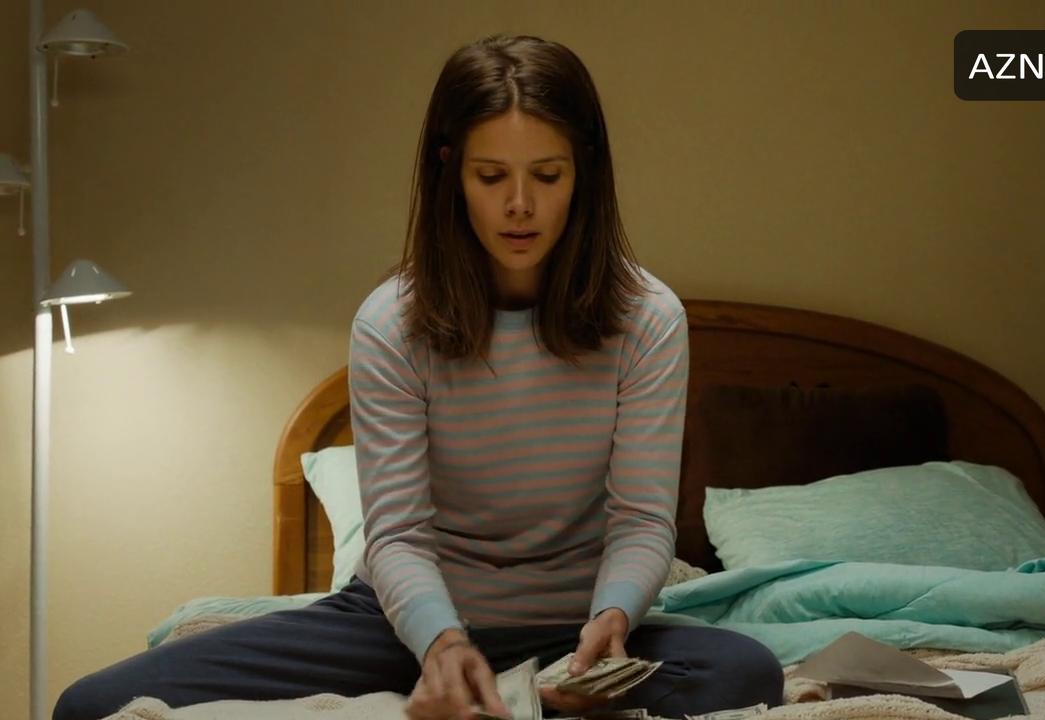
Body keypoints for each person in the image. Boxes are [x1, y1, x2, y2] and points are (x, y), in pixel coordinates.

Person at [54, 34, 783, 720]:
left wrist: (613, 618)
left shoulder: (648, 319)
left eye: (547, 175)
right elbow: (398, 535)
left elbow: (642, 521)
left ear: (584, 173)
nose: (519, 203)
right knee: (91, 705)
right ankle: (505, 693)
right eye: (491, 176)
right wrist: (440, 642)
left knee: (746, 672)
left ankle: (523, 694)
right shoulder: (390, 324)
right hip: (403, 625)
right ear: (450, 173)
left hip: (581, 626)